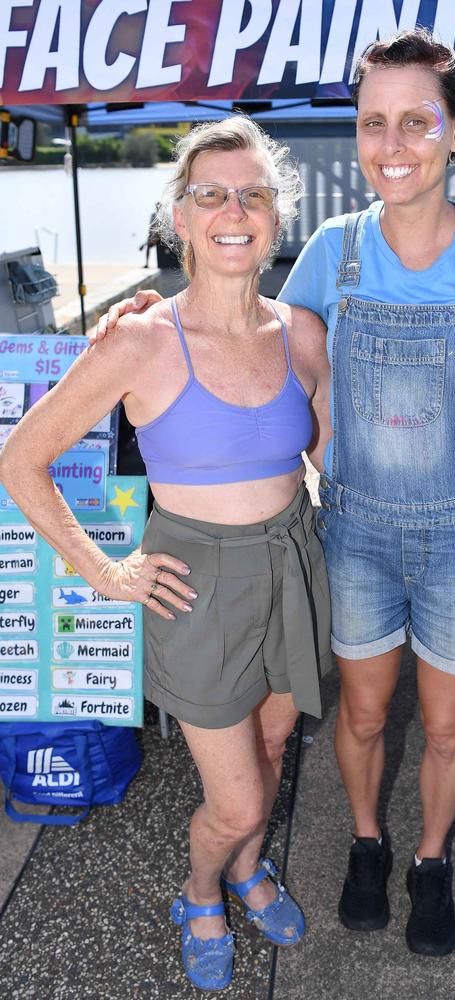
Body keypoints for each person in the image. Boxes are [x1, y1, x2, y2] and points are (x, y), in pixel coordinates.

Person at [95, 29, 455, 958]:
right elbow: (253, 339)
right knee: (367, 713)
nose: (393, 145)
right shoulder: (329, 254)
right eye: (374, 122)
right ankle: (369, 844)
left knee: (450, 724)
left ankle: (429, 860)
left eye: (418, 121)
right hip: (357, 535)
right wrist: (154, 309)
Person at [0, 117, 332, 992]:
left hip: (293, 565)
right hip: (197, 582)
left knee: (273, 750)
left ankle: (250, 870)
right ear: (179, 217)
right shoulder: (142, 339)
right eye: (210, 193)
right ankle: (199, 892)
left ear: (276, 214)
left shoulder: (301, 331)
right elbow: (20, 459)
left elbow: (321, 452)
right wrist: (103, 571)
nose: (234, 209)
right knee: (239, 797)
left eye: (254, 193)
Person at [138, 202, 161, 267]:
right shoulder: (153, 215)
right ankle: (147, 263)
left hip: (161, 237)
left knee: (149, 242)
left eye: (159, 206)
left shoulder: (163, 215)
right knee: (148, 245)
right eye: (157, 206)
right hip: (154, 237)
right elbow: (151, 227)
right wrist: (150, 235)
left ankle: (144, 244)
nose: (158, 207)